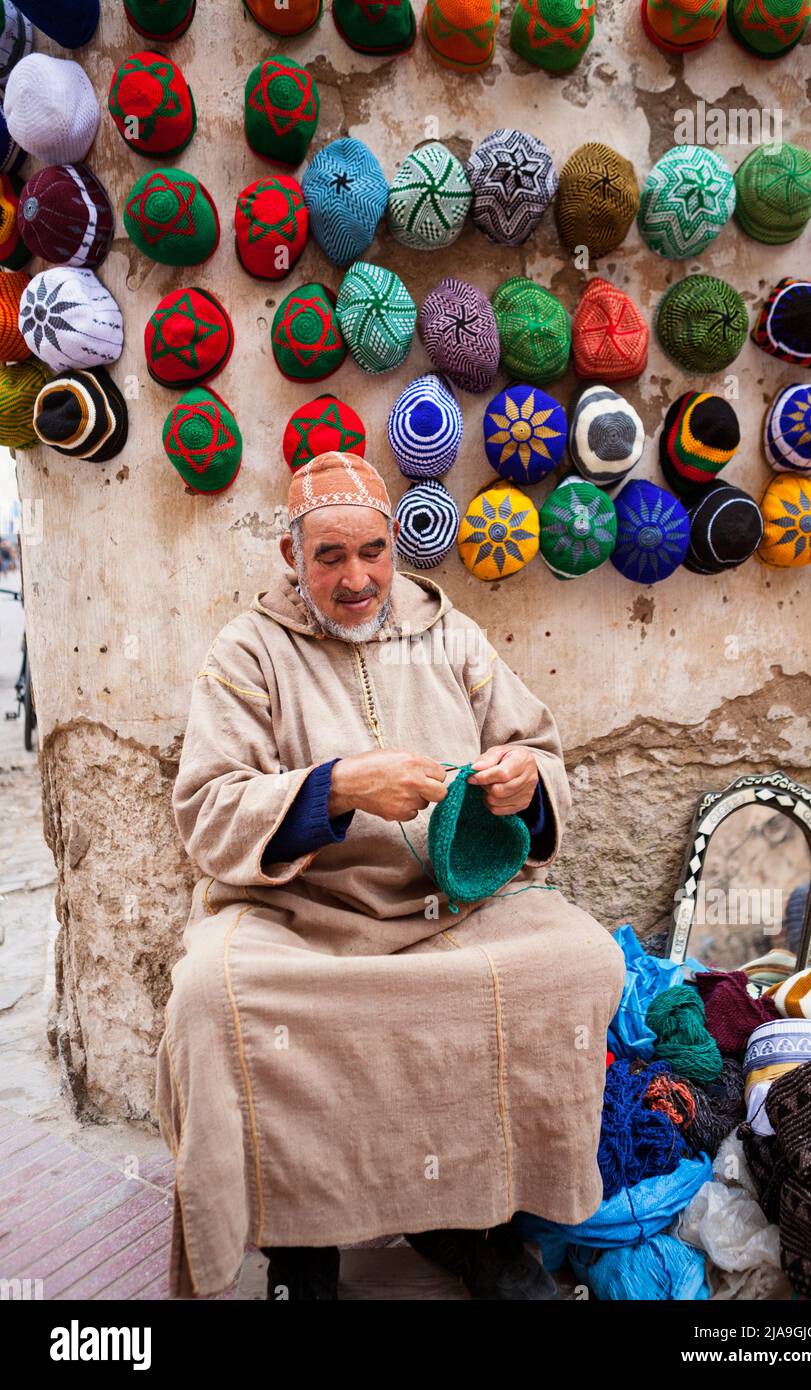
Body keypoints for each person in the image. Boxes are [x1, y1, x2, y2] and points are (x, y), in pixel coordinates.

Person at [156, 451, 625, 1301]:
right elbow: (209, 809)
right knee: (210, 1002)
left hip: (450, 910)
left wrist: (525, 783)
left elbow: (540, 751)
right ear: (292, 561)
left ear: (395, 546)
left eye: (371, 551)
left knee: (581, 962)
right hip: (298, 918)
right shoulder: (249, 651)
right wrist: (337, 787)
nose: (356, 578)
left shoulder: (448, 633)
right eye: (329, 557)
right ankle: (300, 1243)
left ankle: (475, 1222)